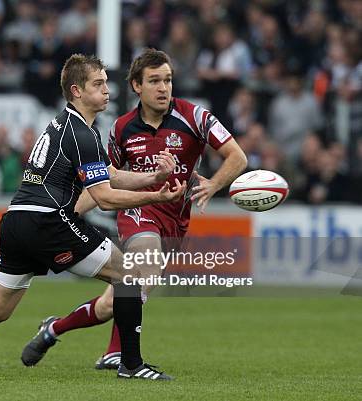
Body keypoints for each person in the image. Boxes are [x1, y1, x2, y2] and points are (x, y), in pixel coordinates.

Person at [0, 54, 186, 381]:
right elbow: (105, 198)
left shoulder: (66, 125)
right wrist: (155, 197)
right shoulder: (82, 134)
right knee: (129, 277)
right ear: (77, 91)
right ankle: (131, 365)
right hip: (47, 221)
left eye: (106, 84)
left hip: (16, 220)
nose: (107, 91)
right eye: (98, 84)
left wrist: (152, 177)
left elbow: (109, 175)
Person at [20, 48, 247, 370]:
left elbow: (237, 156)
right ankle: (123, 358)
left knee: (114, 302)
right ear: (137, 86)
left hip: (176, 219)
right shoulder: (121, 129)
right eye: (154, 80)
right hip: (139, 214)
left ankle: (54, 328)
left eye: (167, 80)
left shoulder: (195, 117)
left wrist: (214, 184)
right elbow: (103, 181)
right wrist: (70, 212)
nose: (163, 88)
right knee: (146, 269)